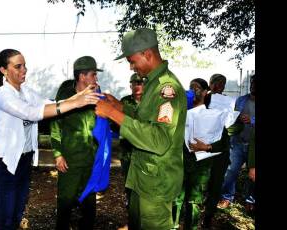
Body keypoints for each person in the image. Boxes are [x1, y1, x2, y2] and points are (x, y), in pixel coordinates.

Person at [0, 49, 101, 230]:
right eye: (18, 66)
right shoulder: (3, 94)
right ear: (4, 70)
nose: (24, 70)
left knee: (16, 214)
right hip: (5, 164)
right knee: (4, 220)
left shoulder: (26, 92)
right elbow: (32, 113)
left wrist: (79, 96)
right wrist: (77, 102)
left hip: (24, 160)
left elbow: (48, 103)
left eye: (25, 65)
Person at [95, 28, 187, 229]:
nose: (131, 67)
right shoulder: (153, 84)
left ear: (147, 54)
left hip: (156, 185)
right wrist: (120, 107)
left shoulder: (166, 88)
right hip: (143, 178)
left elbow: (159, 139)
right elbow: (145, 120)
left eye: (132, 61)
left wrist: (112, 114)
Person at [50, 56, 103, 230]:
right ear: (82, 77)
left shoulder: (97, 96)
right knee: (65, 203)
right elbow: (55, 126)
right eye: (93, 75)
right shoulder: (65, 99)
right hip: (70, 162)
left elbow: (103, 126)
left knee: (89, 205)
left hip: (90, 160)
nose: (96, 78)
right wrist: (58, 155)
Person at [172, 78, 229, 230]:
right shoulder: (182, 111)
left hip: (201, 165)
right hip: (181, 162)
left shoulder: (214, 114)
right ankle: (173, 226)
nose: (194, 90)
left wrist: (208, 146)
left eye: (197, 88)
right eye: (191, 87)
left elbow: (223, 143)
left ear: (205, 92)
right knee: (176, 199)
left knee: (194, 201)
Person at [217, 74, 256, 212]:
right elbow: (231, 117)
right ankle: (226, 197)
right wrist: (237, 117)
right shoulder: (241, 100)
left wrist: (251, 120)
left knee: (253, 175)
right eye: (252, 83)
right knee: (231, 171)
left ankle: (250, 199)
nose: (253, 86)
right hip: (238, 142)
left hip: (254, 146)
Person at [201, 74, 231, 227]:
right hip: (203, 148)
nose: (219, 86)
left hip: (221, 149)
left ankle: (208, 215)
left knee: (216, 183)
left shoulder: (228, 102)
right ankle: (194, 207)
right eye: (216, 83)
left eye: (223, 84)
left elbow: (233, 126)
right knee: (201, 181)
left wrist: (235, 121)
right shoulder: (202, 98)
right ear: (210, 84)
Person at [117, 73, 144, 230]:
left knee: (143, 190)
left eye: (140, 83)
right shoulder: (125, 102)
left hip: (144, 154)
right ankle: (133, 221)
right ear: (130, 85)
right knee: (129, 188)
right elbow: (116, 123)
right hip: (128, 153)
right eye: (134, 83)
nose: (137, 86)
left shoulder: (150, 103)